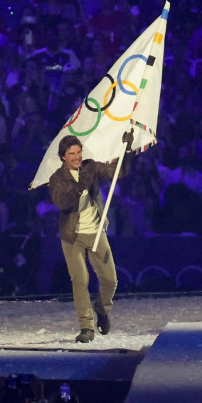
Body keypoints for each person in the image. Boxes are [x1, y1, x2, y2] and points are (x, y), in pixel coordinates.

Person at [48, 130, 134, 344]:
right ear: (63, 157)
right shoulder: (56, 178)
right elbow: (63, 203)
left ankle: (102, 309)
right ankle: (86, 326)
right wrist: (80, 185)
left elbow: (118, 173)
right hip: (72, 236)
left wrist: (128, 150)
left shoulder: (90, 167)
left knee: (110, 279)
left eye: (79, 152)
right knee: (81, 279)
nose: (77, 157)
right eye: (71, 154)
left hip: (96, 231)